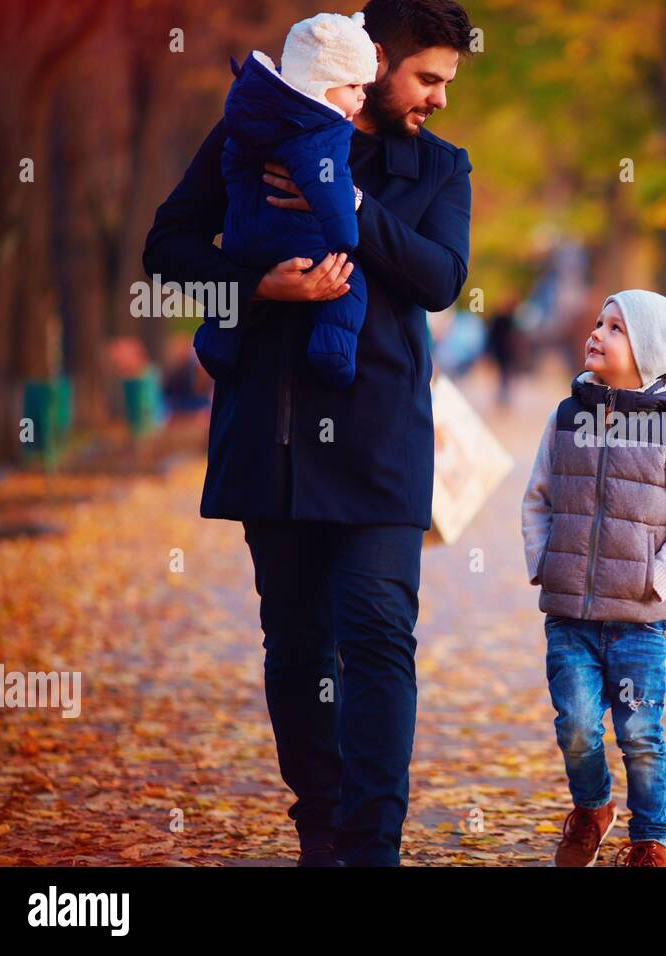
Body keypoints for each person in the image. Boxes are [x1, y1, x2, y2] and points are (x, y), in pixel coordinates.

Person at [142, 0, 475, 867]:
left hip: (379, 443)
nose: (439, 98)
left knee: (375, 633)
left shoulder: (441, 167)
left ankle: (373, 846)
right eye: (427, 77)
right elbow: (168, 246)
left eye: (447, 81)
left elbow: (441, 278)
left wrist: (347, 199)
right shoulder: (249, 136)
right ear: (373, 62)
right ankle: (321, 829)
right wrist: (257, 288)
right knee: (294, 642)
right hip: (274, 434)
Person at [521, 290, 666, 866]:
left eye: (617, 329)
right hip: (571, 616)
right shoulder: (567, 417)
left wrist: (656, 582)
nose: (598, 335)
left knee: (640, 734)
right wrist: (544, 562)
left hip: (640, 622)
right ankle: (593, 806)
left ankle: (649, 839)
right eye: (599, 323)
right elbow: (538, 498)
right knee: (577, 726)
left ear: (650, 353)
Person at [196, 12, 377, 389]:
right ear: (322, 83)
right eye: (354, 85)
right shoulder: (322, 127)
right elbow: (330, 185)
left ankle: (217, 342)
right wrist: (346, 235)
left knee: (233, 298)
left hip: (242, 239)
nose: (362, 95)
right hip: (294, 241)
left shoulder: (253, 108)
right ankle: (333, 351)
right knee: (351, 285)